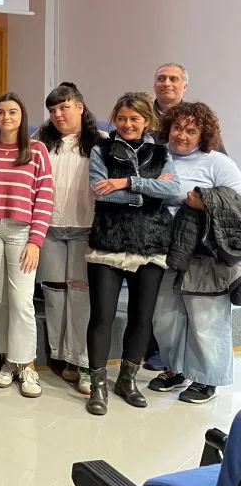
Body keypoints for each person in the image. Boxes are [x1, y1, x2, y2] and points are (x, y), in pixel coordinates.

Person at [84, 92, 178, 416]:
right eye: (122, 118)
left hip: (151, 244)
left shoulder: (161, 152)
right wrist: (148, 193)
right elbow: (99, 191)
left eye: (134, 119)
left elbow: (174, 190)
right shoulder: (101, 149)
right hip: (109, 242)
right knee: (102, 317)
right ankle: (97, 386)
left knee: (141, 318)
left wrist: (126, 182)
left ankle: (127, 380)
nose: (127, 124)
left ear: (146, 122)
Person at [150, 103, 241, 405]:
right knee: (165, 316)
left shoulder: (217, 163)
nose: (183, 135)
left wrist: (206, 204)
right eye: (178, 128)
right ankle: (175, 369)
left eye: (191, 130)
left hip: (205, 256)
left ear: (204, 134)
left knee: (206, 319)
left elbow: (236, 205)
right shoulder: (159, 156)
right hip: (165, 251)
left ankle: (206, 379)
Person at [0, 93, 54, 398]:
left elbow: (44, 197)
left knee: (22, 299)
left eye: (12, 112)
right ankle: (8, 361)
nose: (6, 117)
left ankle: (27, 365)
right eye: (0, 112)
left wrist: (36, 240)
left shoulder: (36, 150)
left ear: (22, 116)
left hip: (22, 231)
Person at [34, 82, 103, 395]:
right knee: (54, 293)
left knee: (80, 295)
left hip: (84, 228)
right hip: (48, 228)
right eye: (52, 110)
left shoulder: (100, 141)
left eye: (64, 107)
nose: (58, 114)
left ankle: (82, 361)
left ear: (80, 106)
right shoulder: (41, 141)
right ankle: (61, 357)